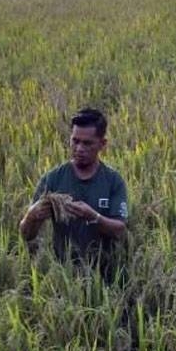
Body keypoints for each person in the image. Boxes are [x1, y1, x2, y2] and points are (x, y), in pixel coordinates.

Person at [19, 108, 128, 273]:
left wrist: (93, 216)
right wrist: (31, 215)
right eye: (75, 141)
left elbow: (120, 230)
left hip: (105, 274)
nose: (79, 148)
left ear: (102, 144)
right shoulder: (53, 179)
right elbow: (27, 235)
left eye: (87, 143)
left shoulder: (113, 181)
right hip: (63, 274)